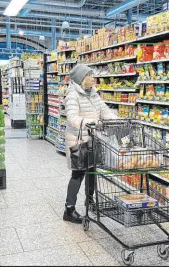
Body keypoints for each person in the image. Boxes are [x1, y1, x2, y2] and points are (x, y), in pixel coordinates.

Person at [63, 64, 117, 224]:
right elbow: (72, 118)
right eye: (90, 75)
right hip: (78, 139)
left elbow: (105, 110)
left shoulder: (94, 94)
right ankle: (69, 209)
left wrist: (116, 120)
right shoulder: (72, 95)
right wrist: (93, 122)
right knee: (78, 174)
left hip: (94, 139)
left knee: (92, 171)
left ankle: (90, 201)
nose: (94, 78)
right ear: (81, 78)